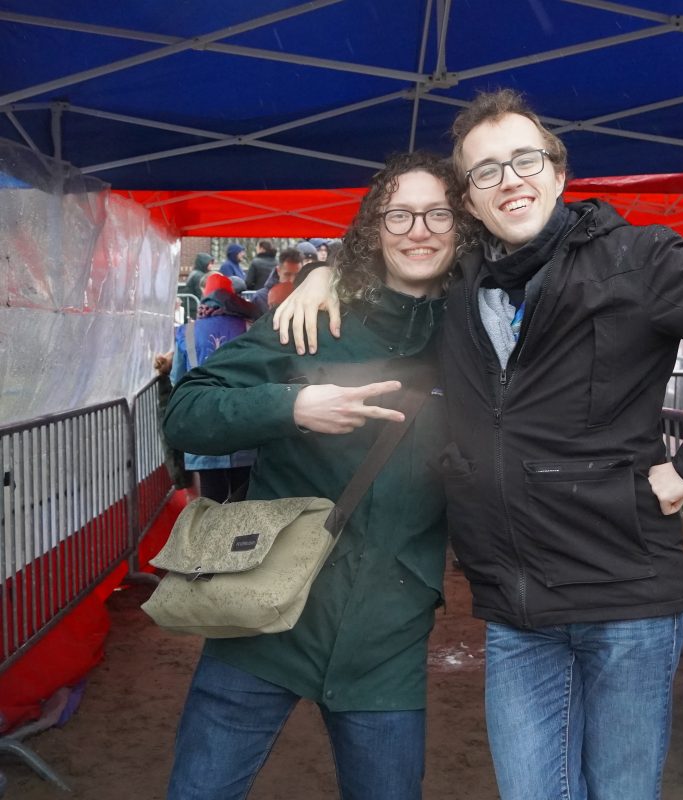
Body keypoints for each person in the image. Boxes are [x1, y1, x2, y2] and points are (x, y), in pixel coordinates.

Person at [275, 88, 683, 800]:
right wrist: (323, 274)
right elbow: (396, 261)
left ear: (558, 173)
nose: (509, 180)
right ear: (469, 200)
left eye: (524, 160)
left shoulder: (636, 257)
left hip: (623, 594)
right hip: (517, 607)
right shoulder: (461, 280)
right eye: (486, 171)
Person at [161, 151, 459, 800]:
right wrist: (291, 407)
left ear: (461, 226)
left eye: (438, 213)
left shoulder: (472, 338)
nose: (419, 229)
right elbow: (185, 411)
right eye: (399, 214)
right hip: (264, 612)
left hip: (386, 631)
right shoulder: (314, 319)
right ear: (373, 228)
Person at [169, 272, 260, 503]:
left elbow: (177, 379)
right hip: (243, 425)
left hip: (203, 427)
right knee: (243, 497)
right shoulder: (249, 328)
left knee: (211, 497)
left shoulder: (187, 332)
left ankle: (212, 527)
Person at [250, 246, 303, 315]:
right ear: (278, 271)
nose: (292, 280)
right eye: (287, 274)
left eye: (297, 275)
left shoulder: (310, 297)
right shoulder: (260, 298)